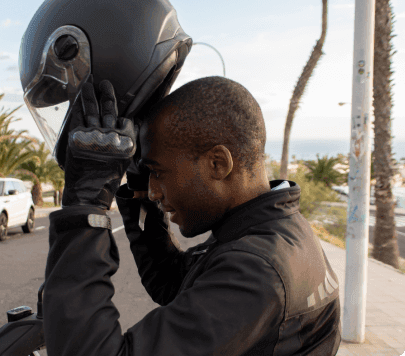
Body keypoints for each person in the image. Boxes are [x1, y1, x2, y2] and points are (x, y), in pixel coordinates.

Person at [40, 76, 341, 356]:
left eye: (158, 172)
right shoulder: (274, 231)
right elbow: (171, 281)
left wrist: (86, 204)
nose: (155, 191)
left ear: (218, 163)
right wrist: (137, 188)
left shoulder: (256, 270)